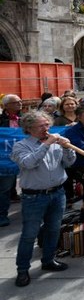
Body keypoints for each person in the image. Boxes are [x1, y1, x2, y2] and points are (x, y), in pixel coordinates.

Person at [11, 111, 76, 287]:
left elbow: (69, 163)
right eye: (41, 126)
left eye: (47, 125)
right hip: (34, 197)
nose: (46, 129)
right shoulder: (21, 146)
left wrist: (67, 148)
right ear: (29, 128)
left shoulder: (55, 143)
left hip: (57, 193)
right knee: (29, 235)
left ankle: (48, 260)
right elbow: (28, 163)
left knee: (53, 229)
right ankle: (22, 269)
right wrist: (47, 144)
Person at [0, 94, 23, 227]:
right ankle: (2, 215)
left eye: (20, 101)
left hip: (22, 157)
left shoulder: (24, 119)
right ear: (6, 106)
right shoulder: (1, 120)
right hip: (5, 160)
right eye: (15, 102)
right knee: (4, 189)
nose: (19, 104)